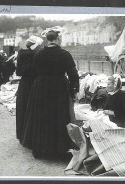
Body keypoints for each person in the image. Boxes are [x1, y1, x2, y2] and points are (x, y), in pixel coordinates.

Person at [21, 29, 79, 158]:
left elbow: (34, 71)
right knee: (59, 116)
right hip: (59, 87)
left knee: (41, 116)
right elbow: (73, 74)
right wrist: (74, 89)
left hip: (41, 87)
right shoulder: (64, 54)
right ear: (57, 39)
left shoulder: (39, 54)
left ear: (48, 39)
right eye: (61, 38)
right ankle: (59, 150)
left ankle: (40, 149)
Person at [16, 36, 43, 143]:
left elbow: (19, 71)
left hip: (24, 83)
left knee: (22, 107)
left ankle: (21, 134)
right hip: (32, 83)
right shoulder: (32, 56)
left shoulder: (21, 53)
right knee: (31, 108)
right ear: (35, 46)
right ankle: (29, 136)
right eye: (39, 46)